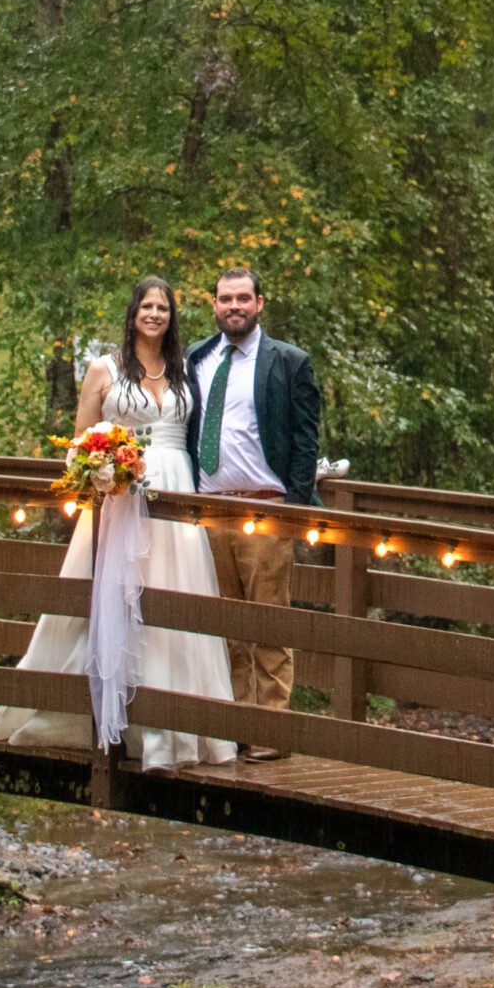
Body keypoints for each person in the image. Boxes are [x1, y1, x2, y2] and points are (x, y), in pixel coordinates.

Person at [0, 276, 236, 770]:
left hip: (176, 489)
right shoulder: (104, 368)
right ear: (132, 314)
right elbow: (80, 442)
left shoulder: (185, 370)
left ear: (172, 317)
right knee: (112, 598)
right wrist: (106, 468)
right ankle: (105, 716)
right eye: (146, 306)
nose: (154, 314)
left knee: (175, 600)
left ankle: (175, 728)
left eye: (163, 308)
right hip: (121, 496)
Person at [186, 265, 323, 760]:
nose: (234, 307)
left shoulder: (288, 362)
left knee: (268, 623)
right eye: (225, 299)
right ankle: (237, 724)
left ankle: (271, 730)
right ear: (214, 304)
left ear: (260, 303)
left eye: (243, 298)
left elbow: (306, 442)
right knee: (225, 626)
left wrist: (297, 509)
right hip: (209, 511)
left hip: (265, 510)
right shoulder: (197, 358)